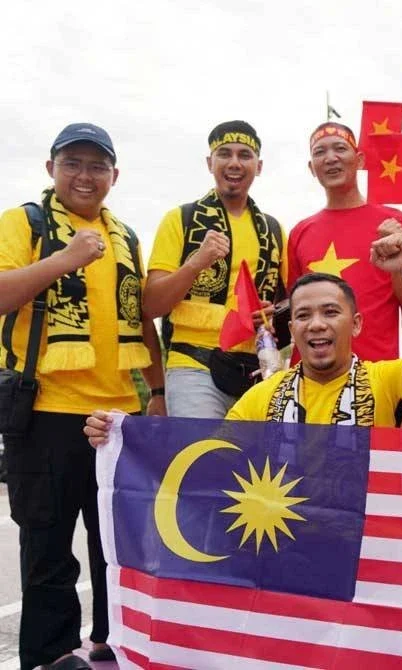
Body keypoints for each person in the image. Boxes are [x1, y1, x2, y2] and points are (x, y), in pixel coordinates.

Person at [0, 123, 165, 670]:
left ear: (114, 175)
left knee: (115, 547)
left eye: (98, 166)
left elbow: (141, 321)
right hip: (44, 409)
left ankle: (108, 642)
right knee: (47, 549)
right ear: (51, 169)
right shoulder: (25, 222)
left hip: (118, 416)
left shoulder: (127, 238)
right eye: (73, 163)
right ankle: (49, 657)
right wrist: (65, 259)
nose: (85, 176)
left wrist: (157, 395)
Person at [87, 223, 402, 433]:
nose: (316, 324)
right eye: (302, 316)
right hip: (286, 553)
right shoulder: (263, 397)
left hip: (365, 549)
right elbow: (206, 461)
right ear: (291, 330)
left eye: (330, 312)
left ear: (356, 324)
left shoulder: (384, 381)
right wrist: (125, 435)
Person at [144, 121, 287, 419]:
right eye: (225, 154)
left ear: (258, 166)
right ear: (210, 163)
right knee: (202, 460)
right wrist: (196, 262)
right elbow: (152, 305)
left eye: (244, 155)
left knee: (250, 465)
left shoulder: (274, 230)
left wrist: (272, 313)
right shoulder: (180, 219)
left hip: (257, 369)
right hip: (193, 365)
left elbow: (288, 307)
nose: (234, 163)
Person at [287, 122, 402, 363]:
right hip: (311, 378)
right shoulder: (299, 232)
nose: (331, 158)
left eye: (340, 149)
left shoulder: (396, 224)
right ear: (311, 168)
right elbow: (293, 308)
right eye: (320, 152)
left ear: (360, 160)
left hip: (377, 375)